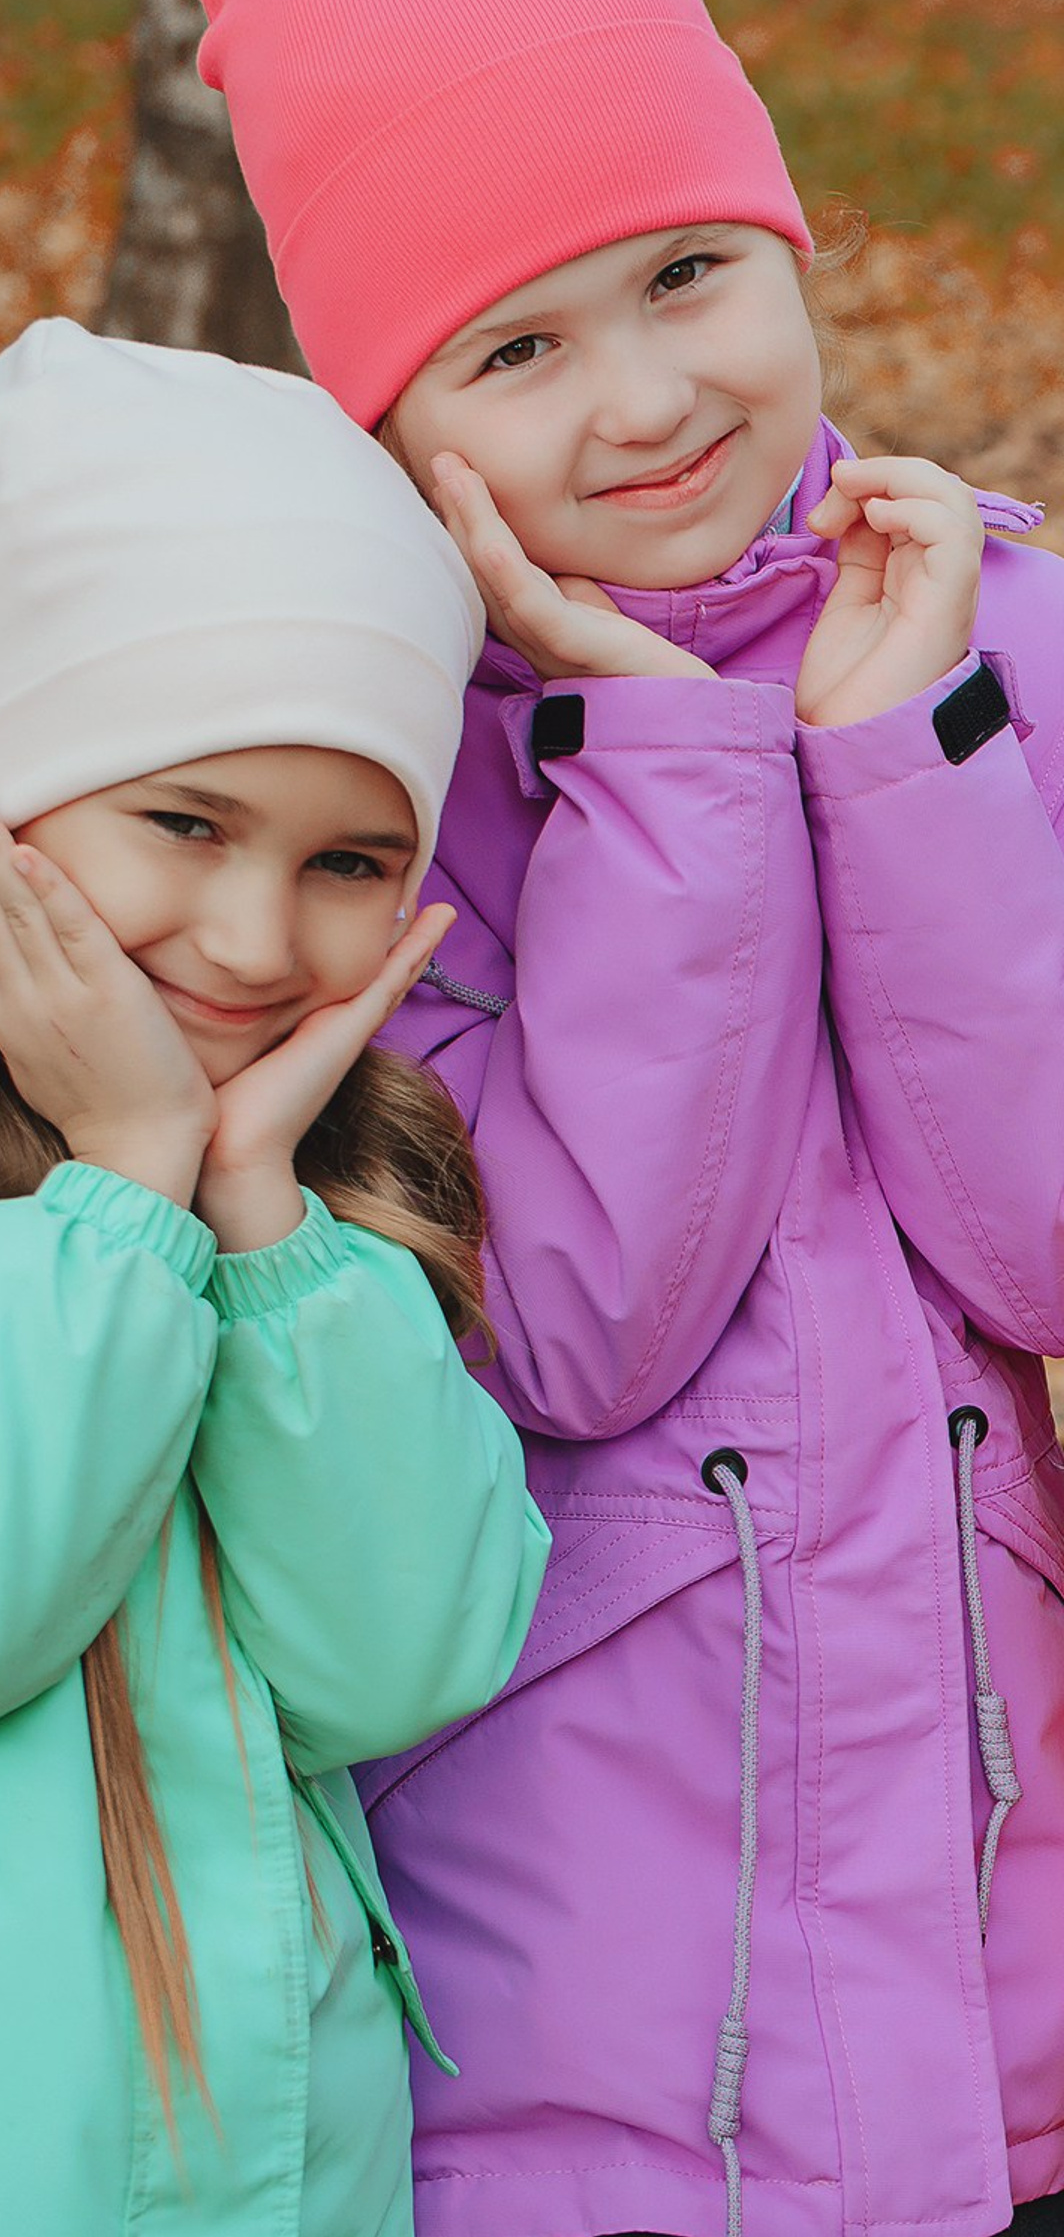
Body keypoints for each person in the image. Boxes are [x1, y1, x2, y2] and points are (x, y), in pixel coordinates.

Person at [189, 0, 1064, 2237]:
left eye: (686, 273)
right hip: (583, 2047)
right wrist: (665, 761)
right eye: (518, 344)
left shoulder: (1021, 652)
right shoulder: (369, 772)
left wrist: (895, 759)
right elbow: (571, 1320)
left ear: (783, 236)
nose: (647, 397)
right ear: (393, 420)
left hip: (999, 1972)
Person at [0, 318, 548, 2234]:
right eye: (184, 821)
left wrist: (250, 1221)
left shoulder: (308, 1220)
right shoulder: (118, 1215)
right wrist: (122, 1196)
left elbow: (401, 1660)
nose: (250, 940)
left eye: (349, 861)